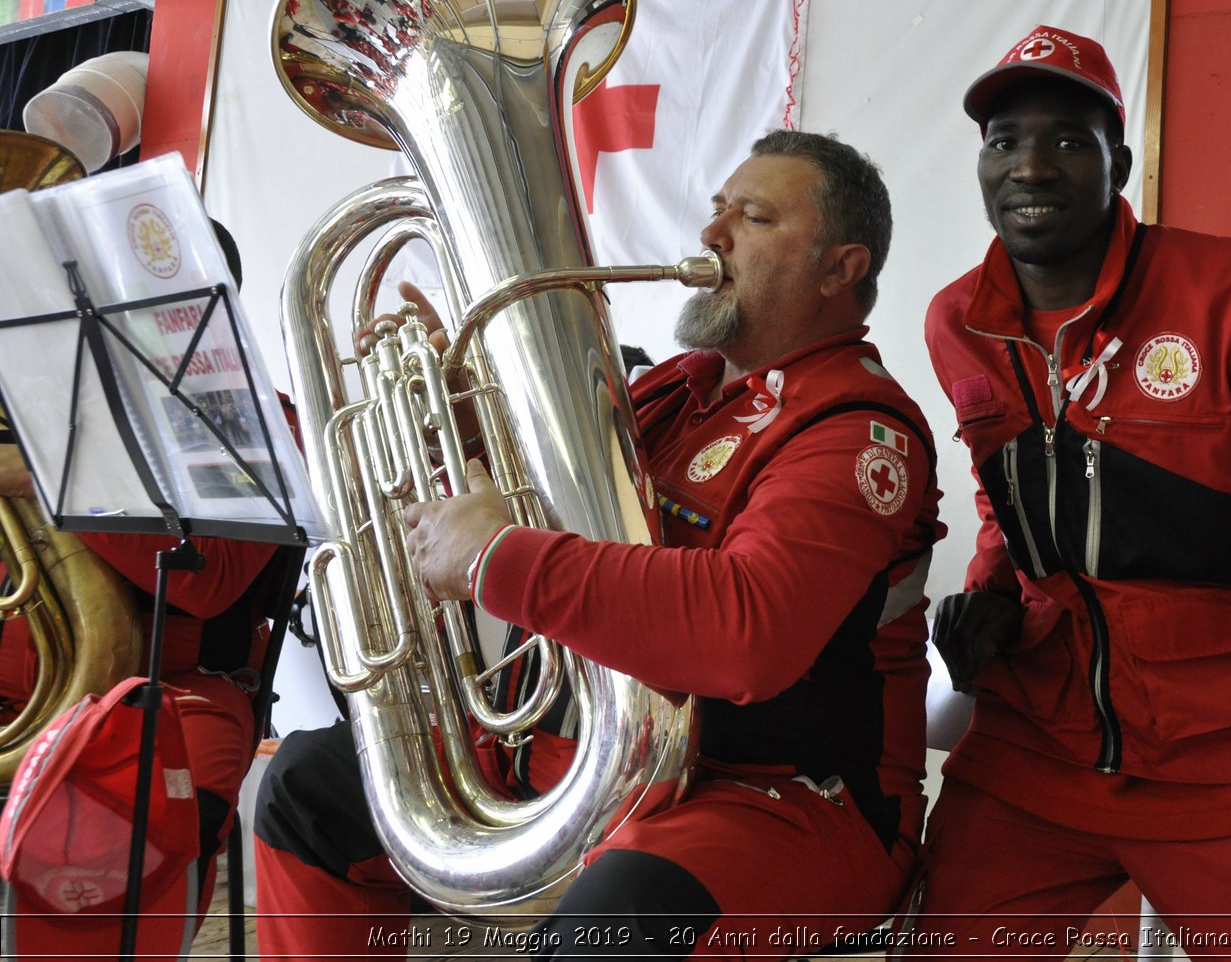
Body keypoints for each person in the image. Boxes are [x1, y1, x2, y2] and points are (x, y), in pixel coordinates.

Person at [252, 129, 944, 959]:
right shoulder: (670, 391)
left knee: (613, 921)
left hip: (778, 798)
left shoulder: (859, 429)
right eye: (718, 208)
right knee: (307, 790)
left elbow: (748, 632)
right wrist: (456, 416)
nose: (712, 234)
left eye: (753, 217)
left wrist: (495, 559)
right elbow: (546, 511)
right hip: (593, 754)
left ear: (842, 269)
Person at [915, 25, 1231, 960]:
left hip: (1229, 760)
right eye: (1005, 139)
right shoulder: (957, 320)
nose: (1030, 165)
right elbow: (1008, 491)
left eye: (1069, 140)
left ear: (1120, 162)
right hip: (1032, 755)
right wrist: (990, 588)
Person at [0, 218, 298, 952]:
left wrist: (44, 481)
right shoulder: (33, 410)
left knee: (126, 859)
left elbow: (210, 582)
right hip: (23, 696)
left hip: (175, 695)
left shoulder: (254, 417)